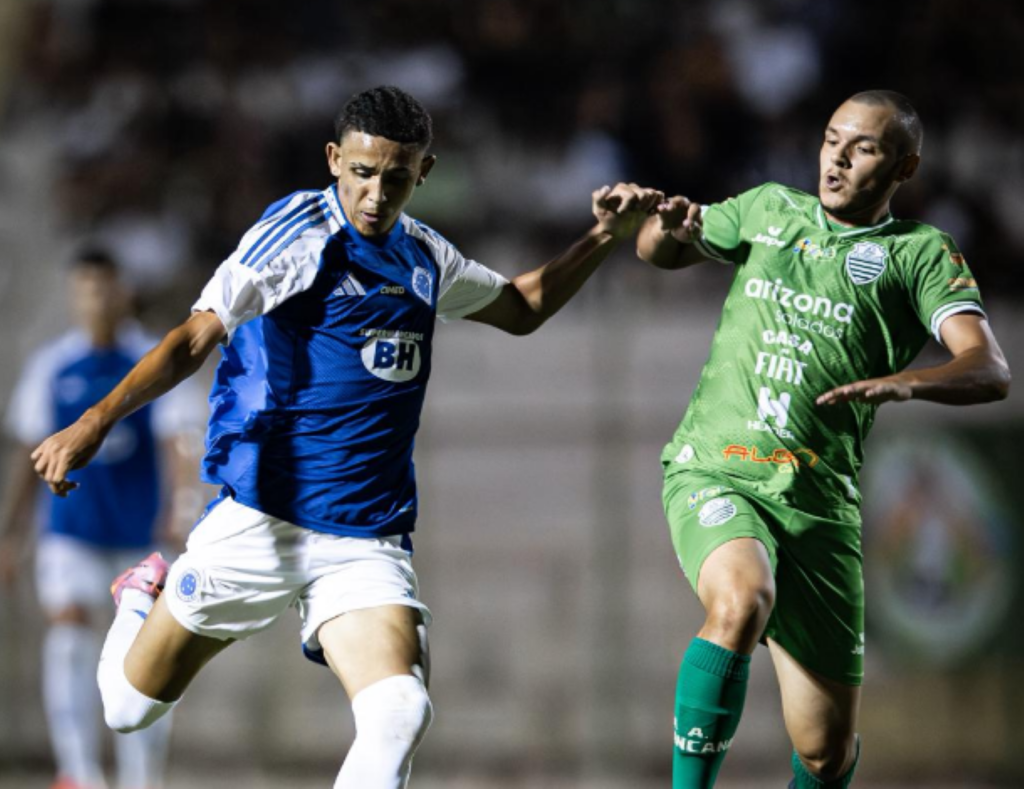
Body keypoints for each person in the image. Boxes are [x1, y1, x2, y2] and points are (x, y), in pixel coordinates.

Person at [29, 85, 663, 789]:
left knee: (400, 709)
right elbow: (190, 340)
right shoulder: (295, 237)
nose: (376, 193)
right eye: (362, 172)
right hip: (261, 520)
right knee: (124, 708)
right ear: (334, 159)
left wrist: (604, 236)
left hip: (363, 536)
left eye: (396, 177)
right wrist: (94, 421)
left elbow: (521, 307)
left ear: (423, 172)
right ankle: (141, 595)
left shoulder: (424, 257)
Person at [636, 89, 1010, 788]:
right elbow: (658, 251)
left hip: (818, 504)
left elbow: (989, 369)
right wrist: (668, 226)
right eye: (831, 138)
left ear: (905, 166)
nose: (836, 157)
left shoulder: (918, 254)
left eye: (863, 146)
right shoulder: (767, 208)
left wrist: (908, 382)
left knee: (824, 753)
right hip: (718, 468)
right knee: (741, 599)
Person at [1, 249, 202, 789]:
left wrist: (180, 510)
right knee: (67, 630)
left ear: (123, 292)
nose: (95, 299)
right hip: (72, 530)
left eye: (104, 287)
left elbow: (180, 442)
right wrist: (10, 535)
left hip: (142, 536)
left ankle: (142, 778)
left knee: (148, 660)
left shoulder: (151, 358)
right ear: (73, 294)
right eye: (84, 288)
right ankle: (79, 773)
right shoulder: (52, 365)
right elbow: (29, 452)